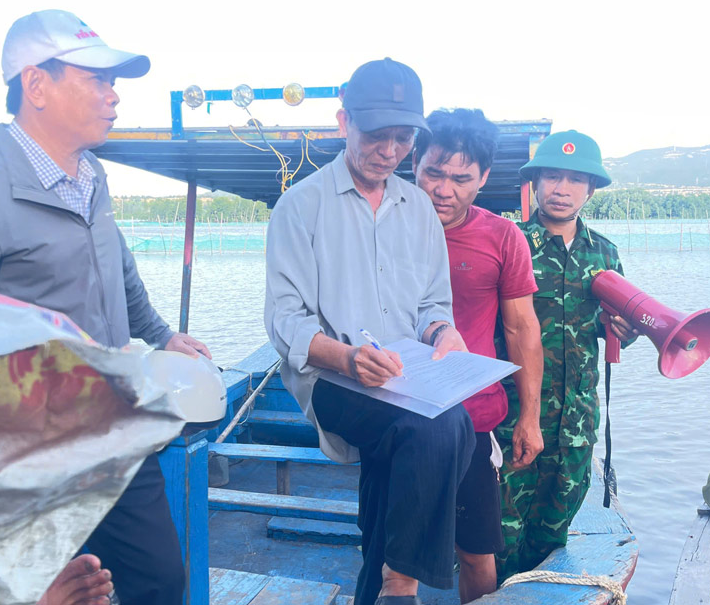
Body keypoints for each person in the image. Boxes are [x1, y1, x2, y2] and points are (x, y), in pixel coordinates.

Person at [0, 9, 210, 605]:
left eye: (113, 82)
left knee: (160, 582)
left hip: (110, 428)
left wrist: (161, 334)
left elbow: (117, 269)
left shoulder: (91, 174)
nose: (114, 96)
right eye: (97, 80)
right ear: (35, 84)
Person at [265, 58, 475, 605]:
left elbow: (432, 303)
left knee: (419, 450)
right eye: (376, 136)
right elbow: (285, 321)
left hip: (405, 376)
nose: (389, 151)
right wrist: (348, 358)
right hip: (333, 380)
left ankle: (380, 586)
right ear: (343, 122)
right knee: (439, 429)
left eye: (403, 138)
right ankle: (401, 584)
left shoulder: (420, 211)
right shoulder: (299, 206)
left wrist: (443, 334)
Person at [494, 130, 640, 578]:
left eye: (576, 180)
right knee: (500, 533)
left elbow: (608, 327)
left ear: (591, 189)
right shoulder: (509, 244)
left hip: (575, 423)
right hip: (513, 416)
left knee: (554, 534)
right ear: (534, 183)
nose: (562, 189)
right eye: (552, 177)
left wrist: (625, 331)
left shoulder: (605, 253)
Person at [413, 109, 544, 603]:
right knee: (392, 550)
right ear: (414, 164)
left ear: (484, 178)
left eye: (461, 178)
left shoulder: (502, 237)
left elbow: (521, 329)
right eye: (433, 173)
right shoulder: (383, 229)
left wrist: (528, 419)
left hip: (472, 417)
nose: (444, 189)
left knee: (477, 550)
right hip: (399, 413)